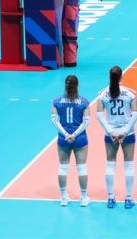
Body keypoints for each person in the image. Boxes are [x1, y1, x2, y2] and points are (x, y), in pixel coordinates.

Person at [97, 66, 137, 209]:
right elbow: (135, 114)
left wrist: (110, 131)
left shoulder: (102, 94)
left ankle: (110, 198)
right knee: (129, 164)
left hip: (111, 134)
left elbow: (99, 115)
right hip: (128, 134)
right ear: (122, 76)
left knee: (110, 163)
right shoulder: (130, 93)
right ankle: (128, 199)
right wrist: (125, 131)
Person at [52, 75, 91, 207]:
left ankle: (63, 197)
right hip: (80, 139)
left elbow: (54, 120)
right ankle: (84, 198)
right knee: (82, 168)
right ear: (77, 85)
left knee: (63, 167)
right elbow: (86, 122)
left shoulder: (56, 101)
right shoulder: (84, 102)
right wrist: (74, 135)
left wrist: (66, 134)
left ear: (65, 85)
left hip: (63, 139)